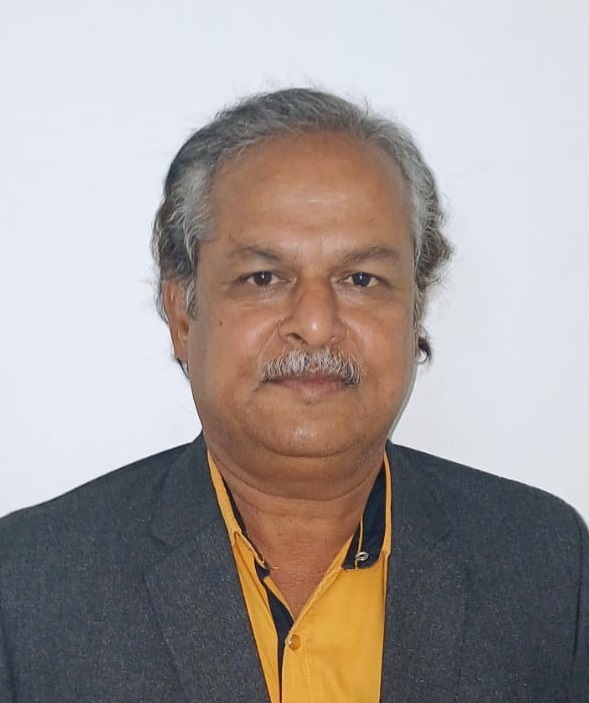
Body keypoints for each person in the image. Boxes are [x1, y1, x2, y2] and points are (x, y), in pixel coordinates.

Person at [0, 88, 587, 703]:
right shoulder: (31, 587)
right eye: (263, 277)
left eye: (361, 279)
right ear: (181, 314)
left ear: (414, 312)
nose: (315, 323)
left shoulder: (543, 566)